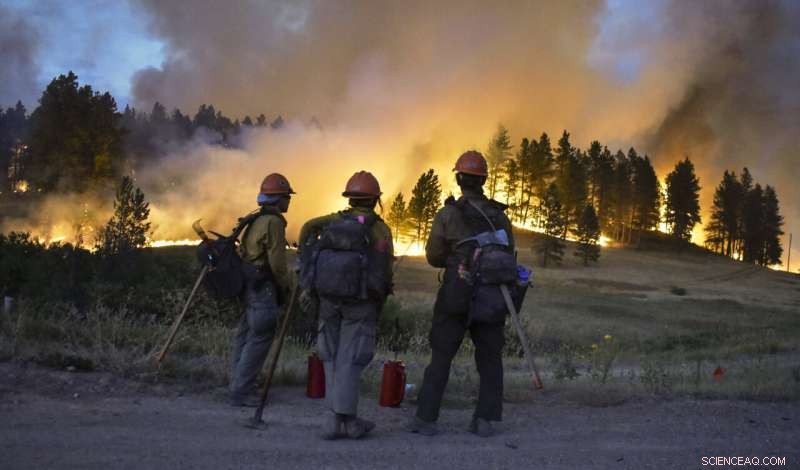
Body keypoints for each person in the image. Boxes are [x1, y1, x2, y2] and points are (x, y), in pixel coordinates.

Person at [407, 150, 515, 438]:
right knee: (490, 359)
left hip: (457, 293)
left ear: (458, 178)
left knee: (441, 356)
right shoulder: (500, 217)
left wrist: (456, 261)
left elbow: (433, 256)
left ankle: (426, 419)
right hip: (492, 298)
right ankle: (485, 421)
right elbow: (509, 255)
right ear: (483, 180)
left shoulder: (448, 214)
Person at [298, 171, 394, 440]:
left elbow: (306, 229)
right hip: (360, 304)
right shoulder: (377, 228)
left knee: (330, 357)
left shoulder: (330, 221)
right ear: (375, 200)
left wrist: (306, 266)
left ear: (349, 198)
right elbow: (385, 266)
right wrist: (381, 297)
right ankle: (344, 421)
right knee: (351, 360)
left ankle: (336, 418)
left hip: (328, 300)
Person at [229, 173, 295, 407]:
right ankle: (242, 392)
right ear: (278, 199)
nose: (289, 201)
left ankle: (237, 383)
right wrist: (287, 285)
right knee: (260, 336)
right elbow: (277, 264)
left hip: (248, 285)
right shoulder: (274, 222)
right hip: (262, 288)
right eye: (287, 196)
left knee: (246, 335)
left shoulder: (256, 219)